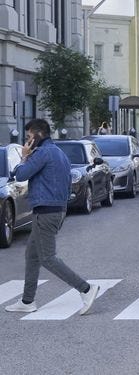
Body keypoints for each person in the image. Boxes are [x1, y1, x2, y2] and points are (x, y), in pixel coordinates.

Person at [5, 119, 100, 315]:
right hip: (55, 210)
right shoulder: (59, 153)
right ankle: (27, 301)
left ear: (38, 136)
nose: (27, 141)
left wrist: (24, 156)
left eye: (29, 137)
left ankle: (86, 289)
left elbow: (21, 175)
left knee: (47, 258)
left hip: (46, 213)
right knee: (32, 256)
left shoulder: (42, 153)